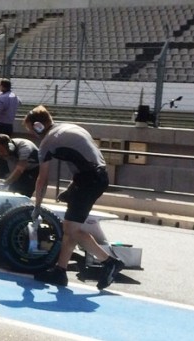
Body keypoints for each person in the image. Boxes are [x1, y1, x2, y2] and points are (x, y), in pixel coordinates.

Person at [25, 105, 123, 290]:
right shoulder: (70, 127)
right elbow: (86, 157)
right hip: (97, 177)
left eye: (31, 129)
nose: (32, 133)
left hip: (88, 181)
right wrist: (71, 188)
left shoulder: (47, 142)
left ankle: (109, 262)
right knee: (71, 228)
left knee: (71, 230)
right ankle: (60, 271)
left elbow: (42, 180)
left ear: (38, 126)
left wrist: (37, 206)